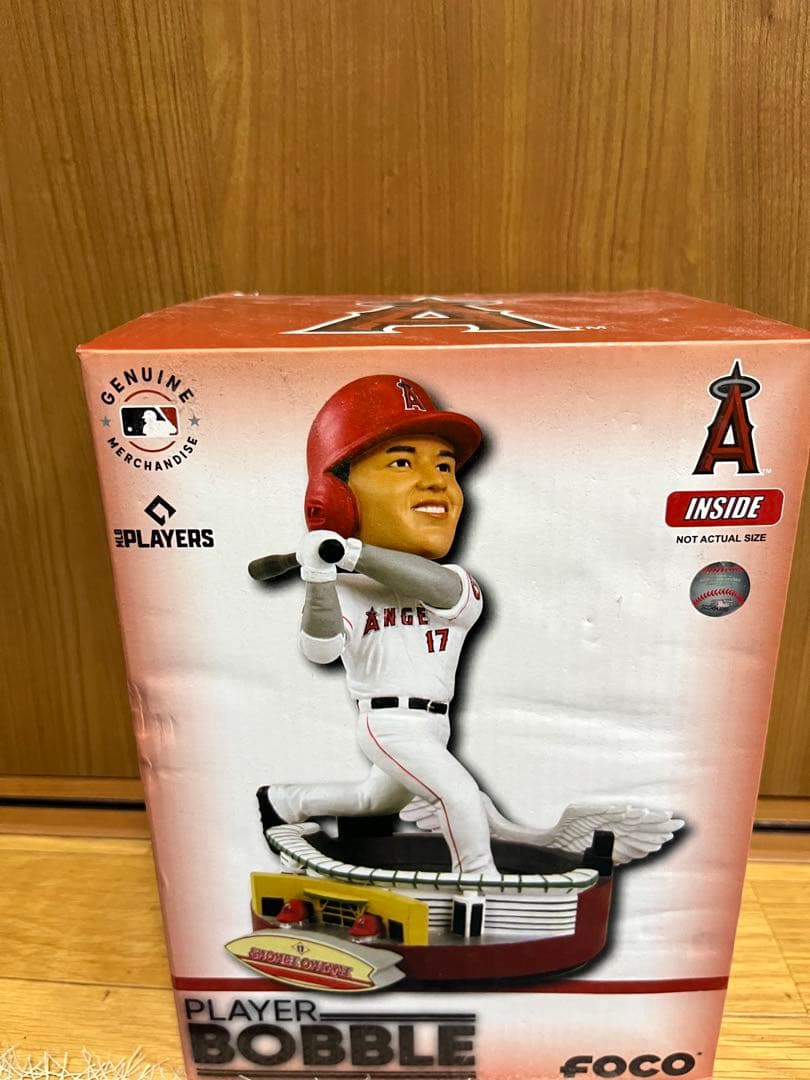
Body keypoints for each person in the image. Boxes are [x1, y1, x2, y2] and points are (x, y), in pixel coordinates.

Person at [263, 374, 498, 877]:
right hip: (386, 721)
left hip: (435, 724)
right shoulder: (346, 590)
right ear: (336, 499)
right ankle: (478, 884)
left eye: (444, 466)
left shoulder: (456, 582)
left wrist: (350, 552)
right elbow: (321, 650)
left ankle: (284, 801)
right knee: (458, 795)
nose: (437, 481)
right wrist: (319, 576)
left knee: (376, 801)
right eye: (402, 462)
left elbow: (438, 589)